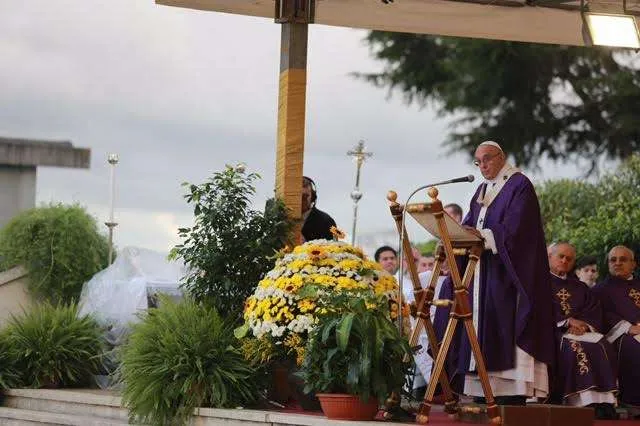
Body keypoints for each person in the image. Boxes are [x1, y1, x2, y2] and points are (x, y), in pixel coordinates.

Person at [449, 141, 555, 405]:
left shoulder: (519, 185)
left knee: (506, 326)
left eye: (487, 159)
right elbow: (470, 224)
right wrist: (457, 233)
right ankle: (484, 389)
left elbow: (521, 229)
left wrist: (484, 235)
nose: (483, 165)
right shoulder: (482, 189)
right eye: (478, 161)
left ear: (502, 157)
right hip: (483, 272)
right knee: (483, 327)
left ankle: (511, 390)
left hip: (509, 274)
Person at [548, 242, 617, 418]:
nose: (565, 261)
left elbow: (593, 309)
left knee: (602, 344)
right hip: (554, 332)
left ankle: (605, 401)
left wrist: (585, 325)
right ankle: (584, 400)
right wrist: (566, 322)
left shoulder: (580, 287)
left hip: (583, 331)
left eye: (569, 258)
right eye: (561, 256)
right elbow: (539, 310)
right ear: (549, 257)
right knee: (576, 346)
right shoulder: (539, 283)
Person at [594, 245, 640, 411]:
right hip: (619, 335)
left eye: (623, 259)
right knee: (634, 346)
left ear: (633, 264)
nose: (617, 263)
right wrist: (628, 327)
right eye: (613, 260)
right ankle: (634, 401)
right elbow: (602, 315)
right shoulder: (599, 290)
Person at [301, 176, 337, 242]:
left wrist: (304, 244)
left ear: (313, 197)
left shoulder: (326, 221)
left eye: (305, 196)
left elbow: (334, 249)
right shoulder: (280, 219)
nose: (302, 200)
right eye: (299, 195)